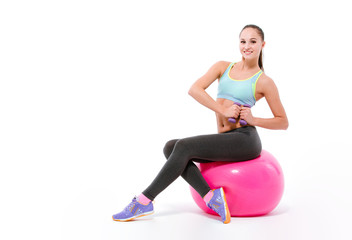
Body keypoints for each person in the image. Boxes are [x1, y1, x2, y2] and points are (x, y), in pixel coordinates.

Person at [112, 24, 288, 224]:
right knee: (170, 146)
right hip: (226, 137)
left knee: (184, 146)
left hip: (245, 139)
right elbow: (195, 89)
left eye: (253, 42)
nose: (247, 46)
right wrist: (222, 110)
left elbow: (283, 122)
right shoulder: (224, 67)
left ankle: (144, 200)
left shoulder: (264, 81)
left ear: (262, 45)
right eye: (243, 41)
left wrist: (253, 119)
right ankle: (210, 196)